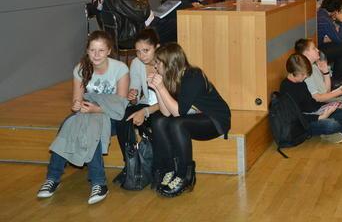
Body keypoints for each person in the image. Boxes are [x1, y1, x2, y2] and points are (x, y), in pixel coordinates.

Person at [37, 31, 129, 205]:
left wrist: (97, 109)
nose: (96, 55)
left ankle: (98, 182)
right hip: (88, 112)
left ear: (109, 51)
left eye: (101, 50)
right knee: (68, 124)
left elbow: (121, 105)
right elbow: (77, 100)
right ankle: (53, 178)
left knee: (90, 128)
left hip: (112, 116)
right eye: (92, 50)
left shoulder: (120, 69)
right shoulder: (80, 69)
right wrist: (76, 106)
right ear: (87, 50)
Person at [148, 43, 231, 197]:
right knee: (158, 120)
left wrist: (161, 88)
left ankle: (185, 175)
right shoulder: (171, 77)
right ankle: (169, 169)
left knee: (177, 124)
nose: (155, 66)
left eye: (158, 63)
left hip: (214, 119)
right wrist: (157, 88)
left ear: (169, 64)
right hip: (192, 117)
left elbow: (177, 113)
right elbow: (166, 112)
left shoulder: (193, 75)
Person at [280, 53, 342, 144]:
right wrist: (320, 117)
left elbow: (311, 103)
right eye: (303, 74)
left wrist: (329, 106)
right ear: (293, 72)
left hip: (318, 112)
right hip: (306, 122)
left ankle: (334, 131)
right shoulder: (286, 89)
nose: (305, 77)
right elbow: (296, 117)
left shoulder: (301, 82)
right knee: (331, 125)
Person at [113, 28, 163, 186]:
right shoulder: (136, 63)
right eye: (138, 51)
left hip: (164, 106)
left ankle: (159, 168)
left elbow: (170, 101)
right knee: (123, 116)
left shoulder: (166, 62)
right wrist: (132, 96)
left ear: (157, 47)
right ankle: (130, 163)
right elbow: (135, 96)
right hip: (146, 103)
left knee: (158, 122)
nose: (142, 55)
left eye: (146, 50)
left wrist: (144, 111)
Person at [295, 38, 342, 109]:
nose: (317, 50)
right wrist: (340, 92)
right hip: (321, 105)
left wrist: (325, 72)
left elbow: (327, 91)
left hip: (326, 98)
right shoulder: (306, 73)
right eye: (314, 48)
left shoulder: (314, 66)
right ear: (306, 53)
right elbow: (318, 98)